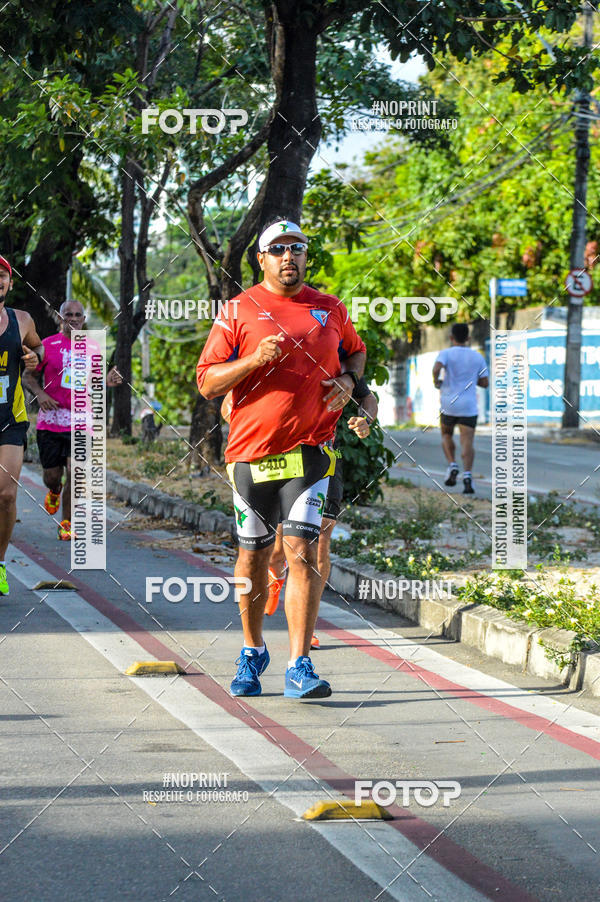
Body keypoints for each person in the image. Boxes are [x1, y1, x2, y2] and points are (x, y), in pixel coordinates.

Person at [197, 217, 366, 699]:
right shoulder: (238, 309)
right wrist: (252, 361)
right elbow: (207, 381)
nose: (288, 257)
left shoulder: (329, 308)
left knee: (304, 553)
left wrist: (350, 382)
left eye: (297, 248)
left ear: (306, 256)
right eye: (278, 249)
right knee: (251, 557)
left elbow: (355, 354)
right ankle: (251, 652)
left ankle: (300, 663)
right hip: (250, 452)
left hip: (311, 449)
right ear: (262, 258)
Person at [23, 300, 122, 540]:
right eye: (69, 314)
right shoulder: (46, 346)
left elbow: (95, 382)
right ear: (60, 317)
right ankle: (54, 491)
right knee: (52, 476)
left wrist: (108, 380)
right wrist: (41, 394)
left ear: (84, 319)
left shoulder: (93, 348)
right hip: (50, 422)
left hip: (81, 423)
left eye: (78, 315)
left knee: (76, 474)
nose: (74, 319)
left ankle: (66, 524)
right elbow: (28, 377)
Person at [0, 255, 44, 595]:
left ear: (10, 282)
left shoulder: (23, 320)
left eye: (2, 275)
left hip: (10, 419)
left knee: (5, 495)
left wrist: (35, 358)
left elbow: (39, 350)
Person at [432, 323, 489, 494]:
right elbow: (485, 383)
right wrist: (471, 380)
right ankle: (468, 476)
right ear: (468, 338)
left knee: (447, 435)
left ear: (451, 338)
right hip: (469, 406)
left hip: (449, 404)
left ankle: (452, 465)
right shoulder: (478, 357)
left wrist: (436, 381)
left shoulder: (446, 353)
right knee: (467, 442)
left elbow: (436, 368)